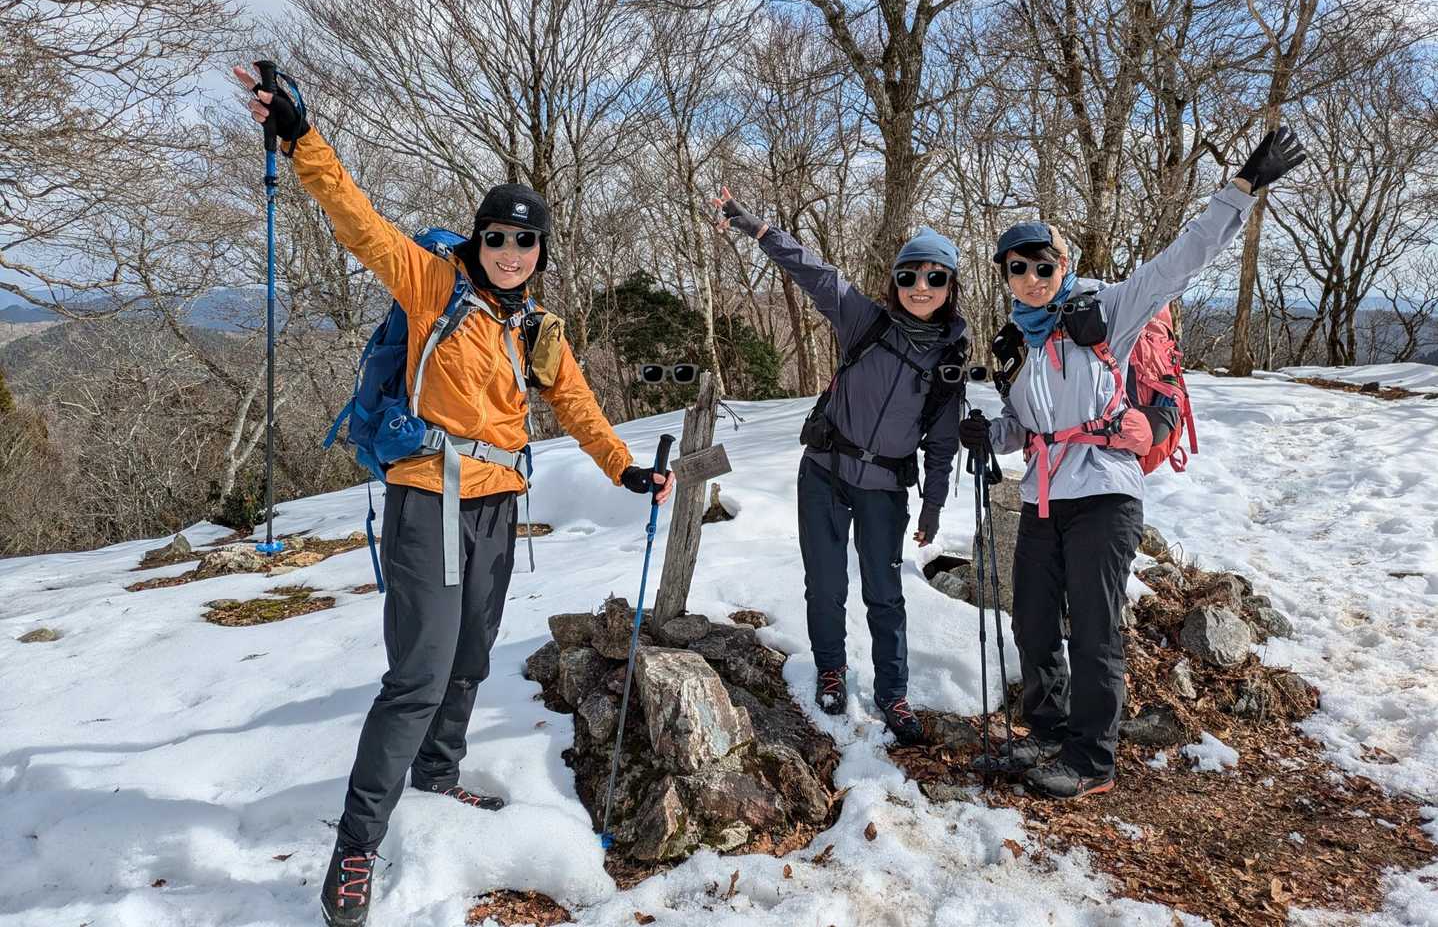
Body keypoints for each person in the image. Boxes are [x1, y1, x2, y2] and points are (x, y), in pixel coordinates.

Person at [231, 64, 674, 927]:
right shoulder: (432, 283)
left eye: (526, 242)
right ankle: (356, 846)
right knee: (418, 676)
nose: (511, 253)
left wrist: (622, 466)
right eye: (498, 237)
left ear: (542, 251)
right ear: (478, 238)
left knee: (470, 658)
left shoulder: (536, 326)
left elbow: (576, 401)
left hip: (499, 505)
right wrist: (301, 137)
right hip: (427, 500)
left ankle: (435, 780)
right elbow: (357, 220)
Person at [959, 127, 1307, 800]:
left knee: (1093, 628)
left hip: (1105, 496)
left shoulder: (1109, 310)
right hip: (1041, 498)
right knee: (1033, 621)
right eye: (1016, 268)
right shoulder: (1018, 342)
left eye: (1041, 265)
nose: (1030, 278)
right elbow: (1028, 426)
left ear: (1063, 263)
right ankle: (1048, 732)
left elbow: (1181, 261)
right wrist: (988, 433)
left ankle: (1092, 758)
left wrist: (1240, 190)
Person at [712, 188, 969, 745]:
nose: (920, 287)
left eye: (934, 277)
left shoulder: (949, 360)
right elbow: (814, 272)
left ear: (950, 287)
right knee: (825, 585)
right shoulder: (864, 322)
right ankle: (831, 669)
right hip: (825, 472)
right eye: (909, 276)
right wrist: (759, 230)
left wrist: (932, 504)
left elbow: (943, 443)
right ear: (895, 281)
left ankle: (893, 693)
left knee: (885, 593)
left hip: (885, 487)